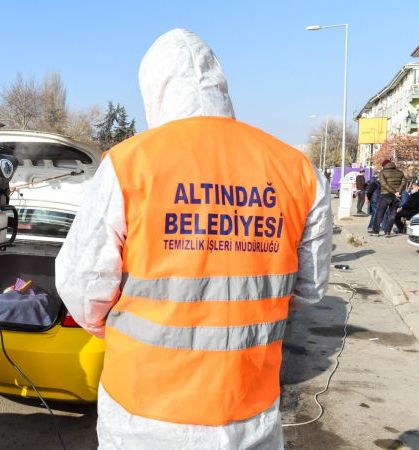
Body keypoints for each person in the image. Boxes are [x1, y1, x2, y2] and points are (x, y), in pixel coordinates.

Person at [55, 29, 332, 450]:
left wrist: (111, 328)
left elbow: (81, 286)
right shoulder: (296, 170)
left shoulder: (128, 165)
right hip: (248, 412)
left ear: (154, 90)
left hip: (144, 414)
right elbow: (310, 289)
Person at [372, 159, 406, 236]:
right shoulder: (400, 172)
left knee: (380, 213)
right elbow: (404, 182)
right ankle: (387, 232)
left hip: (386, 195)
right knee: (392, 214)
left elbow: (384, 184)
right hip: (396, 196)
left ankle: (376, 231)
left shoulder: (382, 173)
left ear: (384, 165)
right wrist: (398, 192)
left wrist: (394, 192)